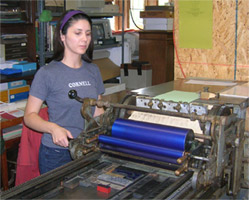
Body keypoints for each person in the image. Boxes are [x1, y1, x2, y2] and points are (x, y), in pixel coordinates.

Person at [24, 10, 105, 174]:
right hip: (57, 153)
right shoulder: (47, 73)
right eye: (78, 33)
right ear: (62, 36)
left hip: (88, 148)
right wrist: (53, 128)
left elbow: (98, 111)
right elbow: (29, 116)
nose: (85, 39)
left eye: (88, 34)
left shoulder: (93, 70)